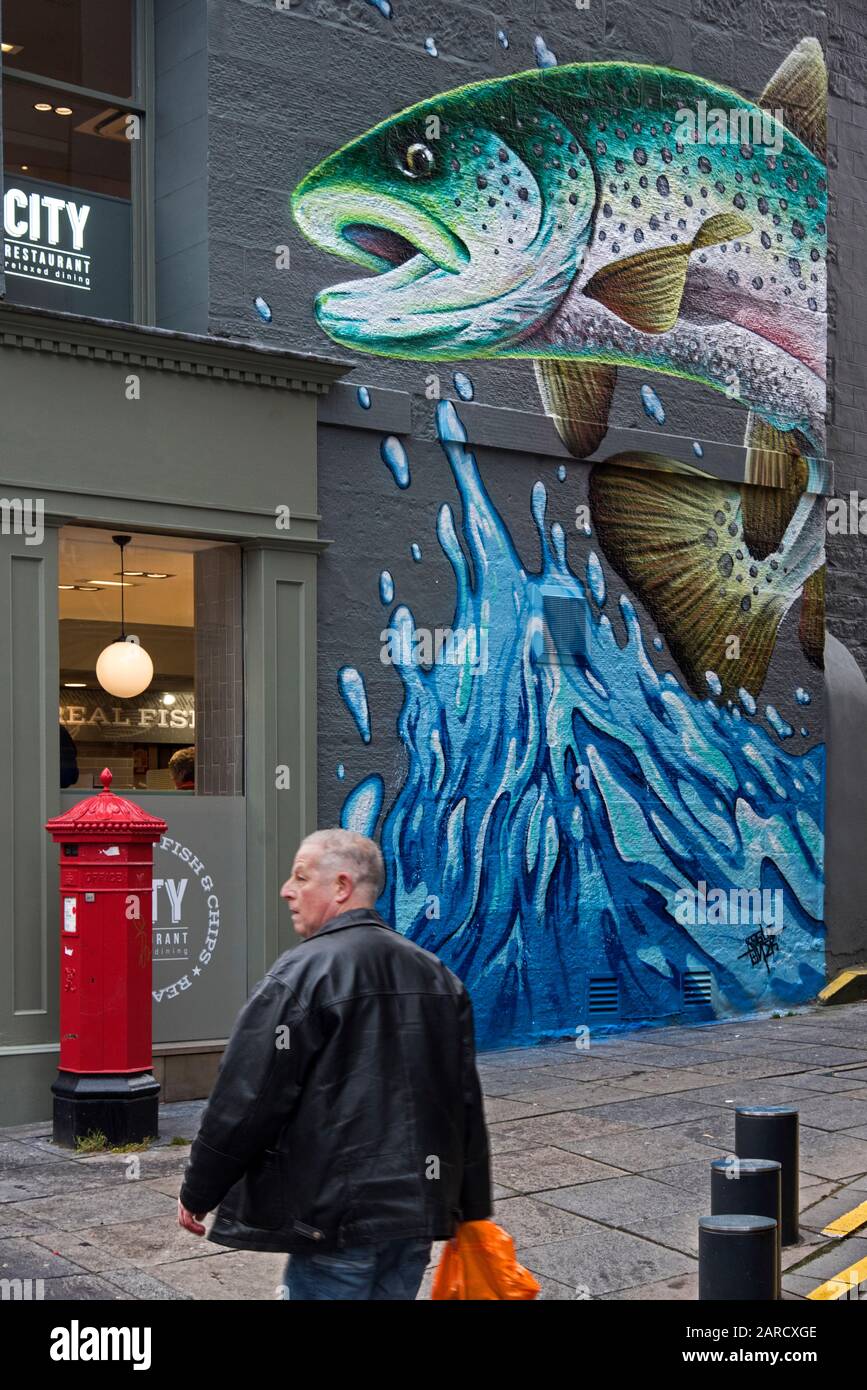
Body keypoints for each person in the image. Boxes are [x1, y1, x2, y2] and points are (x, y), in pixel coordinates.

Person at [177, 828, 491, 1300]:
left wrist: (199, 1190)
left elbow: (246, 1099)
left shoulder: (301, 974)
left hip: (335, 1219)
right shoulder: (437, 975)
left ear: (342, 887)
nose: (287, 889)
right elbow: (464, 1101)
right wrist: (472, 1206)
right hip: (414, 1217)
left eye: (301, 877)